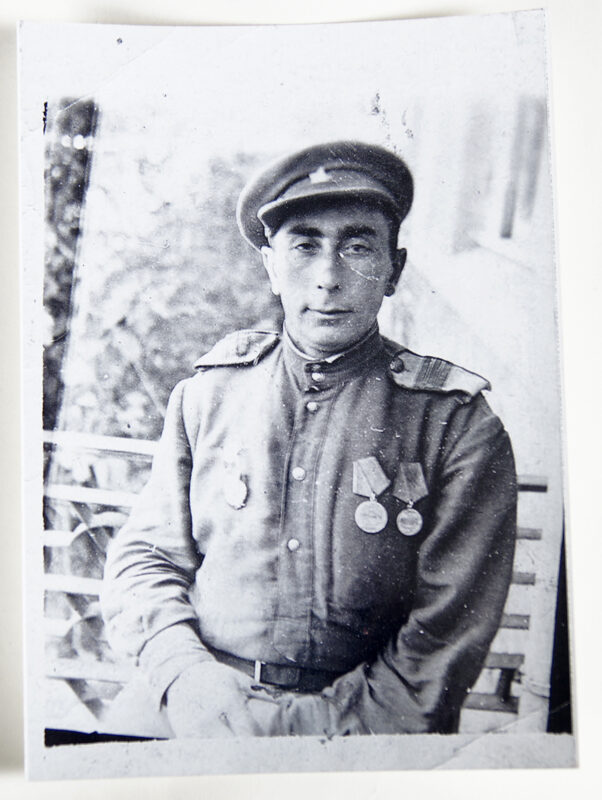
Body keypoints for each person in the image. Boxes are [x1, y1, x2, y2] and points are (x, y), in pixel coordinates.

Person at [101, 141, 517, 738]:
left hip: (366, 725)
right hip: (197, 699)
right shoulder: (209, 395)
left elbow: (444, 634)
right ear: (270, 266)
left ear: (393, 270)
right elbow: (146, 559)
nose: (328, 277)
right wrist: (185, 675)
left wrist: (323, 731)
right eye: (303, 245)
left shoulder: (456, 425)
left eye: (357, 245)